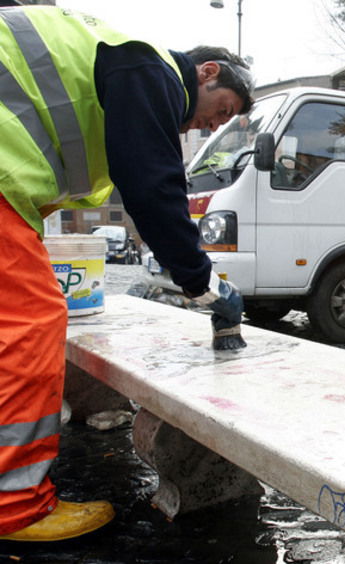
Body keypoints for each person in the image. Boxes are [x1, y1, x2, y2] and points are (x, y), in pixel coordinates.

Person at [0, 6, 254, 541]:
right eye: (220, 109)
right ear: (206, 72)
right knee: (32, 322)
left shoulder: (121, 65)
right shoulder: (149, 68)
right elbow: (153, 189)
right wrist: (203, 284)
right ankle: (16, 508)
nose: (213, 124)